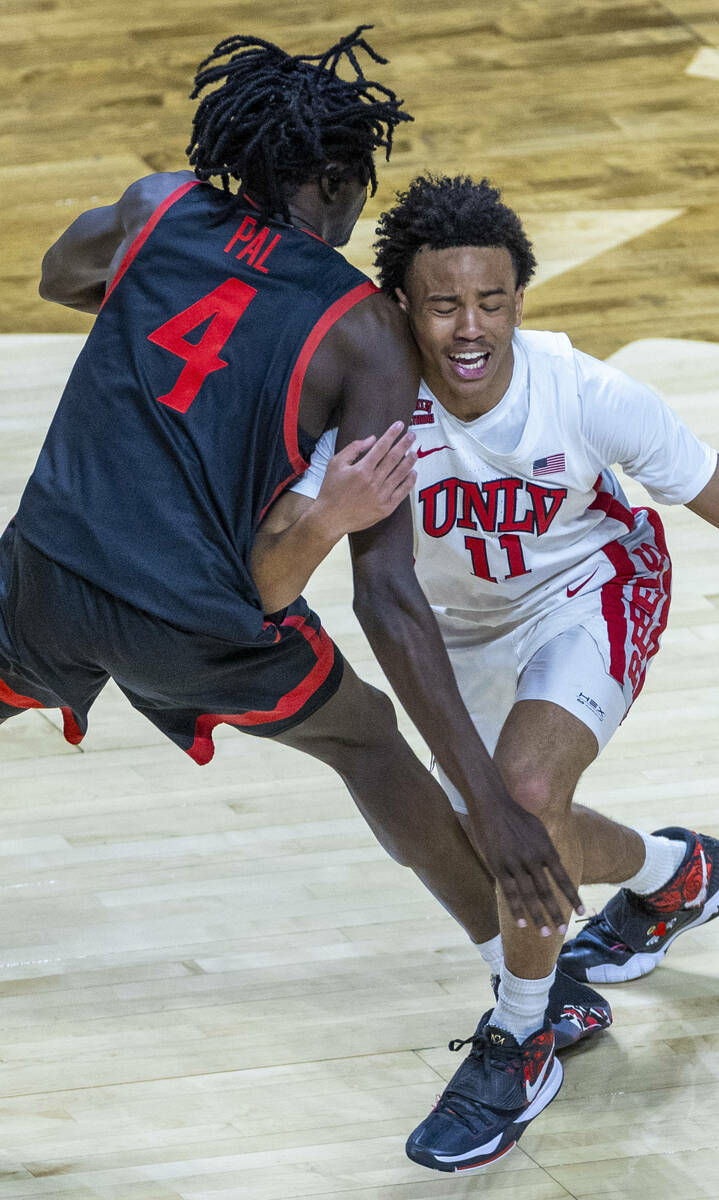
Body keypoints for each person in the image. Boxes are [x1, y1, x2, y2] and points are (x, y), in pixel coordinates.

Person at [254, 173, 719, 1171]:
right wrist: (328, 513)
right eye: (445, 303)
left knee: (525, 796)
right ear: (402, 306)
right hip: (452, 635)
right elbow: (272, 587)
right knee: (502, 834)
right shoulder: (368, 414)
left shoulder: (580, 393)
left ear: (519, 302)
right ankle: (677, 876)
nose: (470, 328)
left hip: (589, 591)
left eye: (491, 302)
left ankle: (520, 1036)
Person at [0, 34, 590, 999]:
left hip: (46, 573)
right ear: (335, 180)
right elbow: (387, 594)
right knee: (362, 737)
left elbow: (58, 278)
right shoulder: (366, 331)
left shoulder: (156, 208)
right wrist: (488, 801)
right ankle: (523, 985)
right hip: (191, 622)